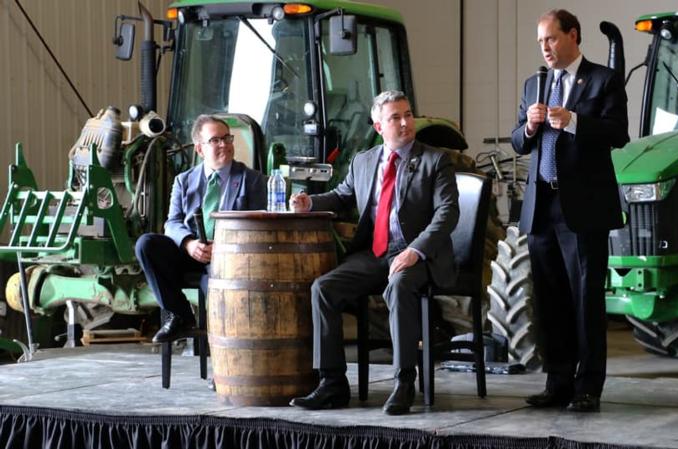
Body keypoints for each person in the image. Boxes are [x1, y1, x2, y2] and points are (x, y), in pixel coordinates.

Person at [288, 90, 459, 416]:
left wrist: (415, 250)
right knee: (323, 288)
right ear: (379, 126)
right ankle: (332, 384)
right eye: (396, 117)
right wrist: (309, 203)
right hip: (375, 253)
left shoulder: (435, 160)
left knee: (399, 284)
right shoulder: (364, 161)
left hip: (419, 254)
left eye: (407, 115)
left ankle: (404, 381)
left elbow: (447, 213)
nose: (405, 122)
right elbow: (342, 196)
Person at [511, 10, 629, 412]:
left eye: (551, 39)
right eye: (540, 42)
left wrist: (575, 120)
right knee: (550, 299)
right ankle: (557, 382)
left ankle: (588, 387)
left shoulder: (603, 80)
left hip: (582, 208)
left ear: (573, 35)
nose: (545, 48)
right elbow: (518, 141)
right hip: (542, 206)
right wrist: (529, 127)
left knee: (585, 299)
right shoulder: (534, 84)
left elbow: (618, 133)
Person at [137, 114, 267, 343]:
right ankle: (180, 316)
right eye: (215, 140)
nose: (224, 144)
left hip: (228, 257)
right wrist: (189, 244)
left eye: (227, 138)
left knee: (215, 289)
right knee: (146, 244)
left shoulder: (252, 180)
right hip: (191, 251)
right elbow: (172, 223)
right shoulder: (183, 181)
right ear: (199, 149)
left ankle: (225, 355)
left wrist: (224, 247)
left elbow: (258, 227)